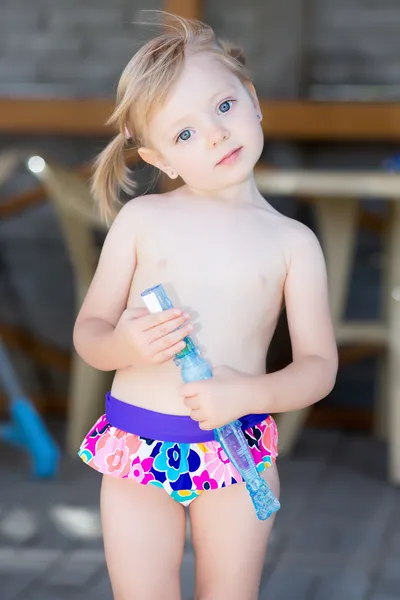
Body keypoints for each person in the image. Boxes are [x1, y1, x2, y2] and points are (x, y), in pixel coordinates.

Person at [74, 12, 338, 600]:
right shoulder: (144, 221)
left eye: (223, 107)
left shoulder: (293, 243)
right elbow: (89, 332)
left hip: (235, 449)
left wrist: (251, 393)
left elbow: (318, 369)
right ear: (160, 159)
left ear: (253, 99)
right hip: (136, 449)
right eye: (185, 134)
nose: (216, 135)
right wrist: (123, 344)